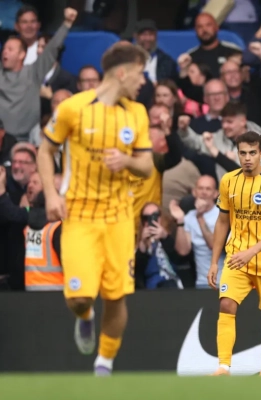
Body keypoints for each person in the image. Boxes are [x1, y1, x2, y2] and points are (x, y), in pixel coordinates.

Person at [37, 43, 154, 376]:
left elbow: (147, 165)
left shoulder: (137, 112)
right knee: (79, 298)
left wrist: (127, 160)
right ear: (123, 73)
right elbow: (45, 151)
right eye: (140, 73)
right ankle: (86, 317)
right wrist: (51, 195)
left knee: (116, 297)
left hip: (119, 216)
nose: (143, 81)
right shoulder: (73, 108)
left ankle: (104, 363)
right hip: (79, 215)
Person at [206, 131, 261, 376]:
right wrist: (214, 262)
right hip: (236, 258)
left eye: (252, 153)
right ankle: (223, 366)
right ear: (237, 153)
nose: (247, 158)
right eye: (242, 153)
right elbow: (222, 222)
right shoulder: (228, 181)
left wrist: (252, 252)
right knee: (226, 304)